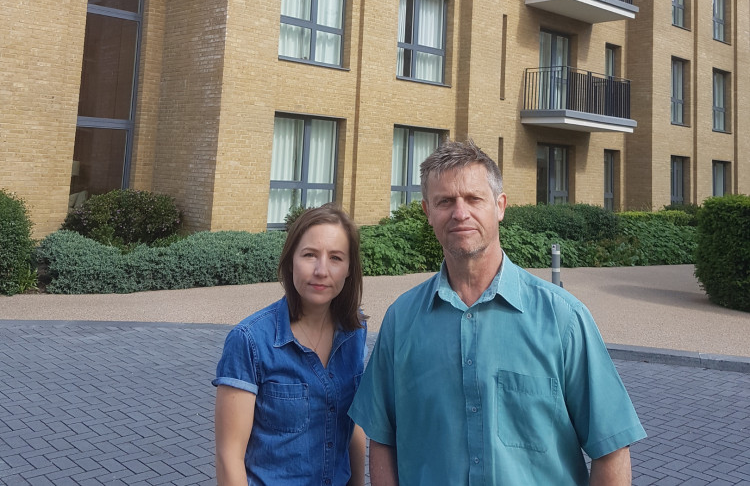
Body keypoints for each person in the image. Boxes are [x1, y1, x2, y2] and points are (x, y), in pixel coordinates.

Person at [348, 139, 647, 485]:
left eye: (474, 199)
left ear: (500, 206)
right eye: (445, 201)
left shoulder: (563, 319)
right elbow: (383, 439)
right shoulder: (401, 320)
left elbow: (610, 448)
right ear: (427, 213)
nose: (461, 213)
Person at [213, 204, 367, 486]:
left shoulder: (354, 332)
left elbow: (353, 427)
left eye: (335, 258)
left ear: (349, 270)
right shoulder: (250, 340)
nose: (321, 270)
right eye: (309, 255)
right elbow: (228, 456)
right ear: (290, 260)